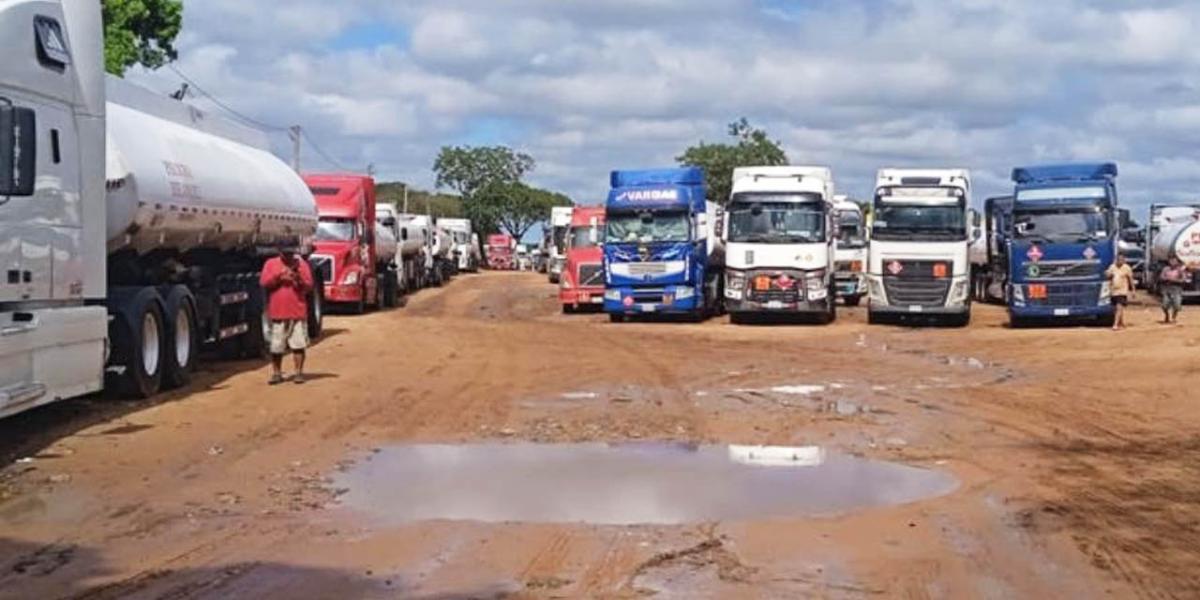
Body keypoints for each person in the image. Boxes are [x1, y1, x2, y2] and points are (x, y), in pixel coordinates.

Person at [259, 246, 314, 384]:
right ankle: (277, 373)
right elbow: (264, 283)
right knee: (276, 345)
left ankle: (298, 372)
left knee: (298, 344)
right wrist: (280, 276)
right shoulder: (271, 264)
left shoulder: (302, 265)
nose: (289, 256)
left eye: (291, 254)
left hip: (297, 311)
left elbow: (309, 286)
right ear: (280, 253)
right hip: (278, 311)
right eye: (286, 254)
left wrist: (298, 278)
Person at [1105, 253, 1136, 331]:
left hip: (1122, 291)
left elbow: (1131, 280)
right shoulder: (1112, 267)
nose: (1120, 261)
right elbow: (1108, 276)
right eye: (1118, 259)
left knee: (1119, 306)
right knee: (1117, 308)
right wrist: (1108, 274)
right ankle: (1121, 322)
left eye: (1122, 260)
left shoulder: (1127, 268)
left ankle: (1115, 324)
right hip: (1113, 291)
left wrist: (1133, 290)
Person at [1158, 256, 1188, 325]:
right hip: (1167, 289)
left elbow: (1183, 279)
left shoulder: (1180, 270)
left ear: (1177, 262)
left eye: (1174, 261)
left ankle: (1174, 316)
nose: (1172, 262)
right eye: (1171, 261)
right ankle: (1167, 315)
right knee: (1164, 305)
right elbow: (1161, 277)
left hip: (1176, 290)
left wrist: (1174, 280)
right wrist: (1166, 279)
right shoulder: (1166, 269)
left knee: (1177, 305)